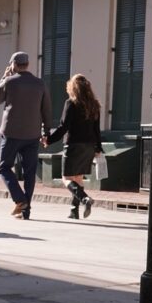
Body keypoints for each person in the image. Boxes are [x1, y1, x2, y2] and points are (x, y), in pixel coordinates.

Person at [0, 52, 51, 220]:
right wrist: (46, 131)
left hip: (11, 133)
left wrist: (3, 78)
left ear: (14, 65)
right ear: (27, 64)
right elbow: (46, 109)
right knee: (29, 173)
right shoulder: (40, 84)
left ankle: (20, 200)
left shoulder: (9, 82)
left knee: (4, 168)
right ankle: (26, 211)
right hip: (32, 135)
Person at [44, 74, 103, 219]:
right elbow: (97, 129)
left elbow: (63, 127)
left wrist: (49, 140)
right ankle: (74, 211)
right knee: (78, 178)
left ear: (72, 87)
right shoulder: (94, 105)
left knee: (66, 178)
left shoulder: (71, 103)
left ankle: (84, 199)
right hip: (89, 145)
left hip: (73, 145)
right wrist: (98, 147)